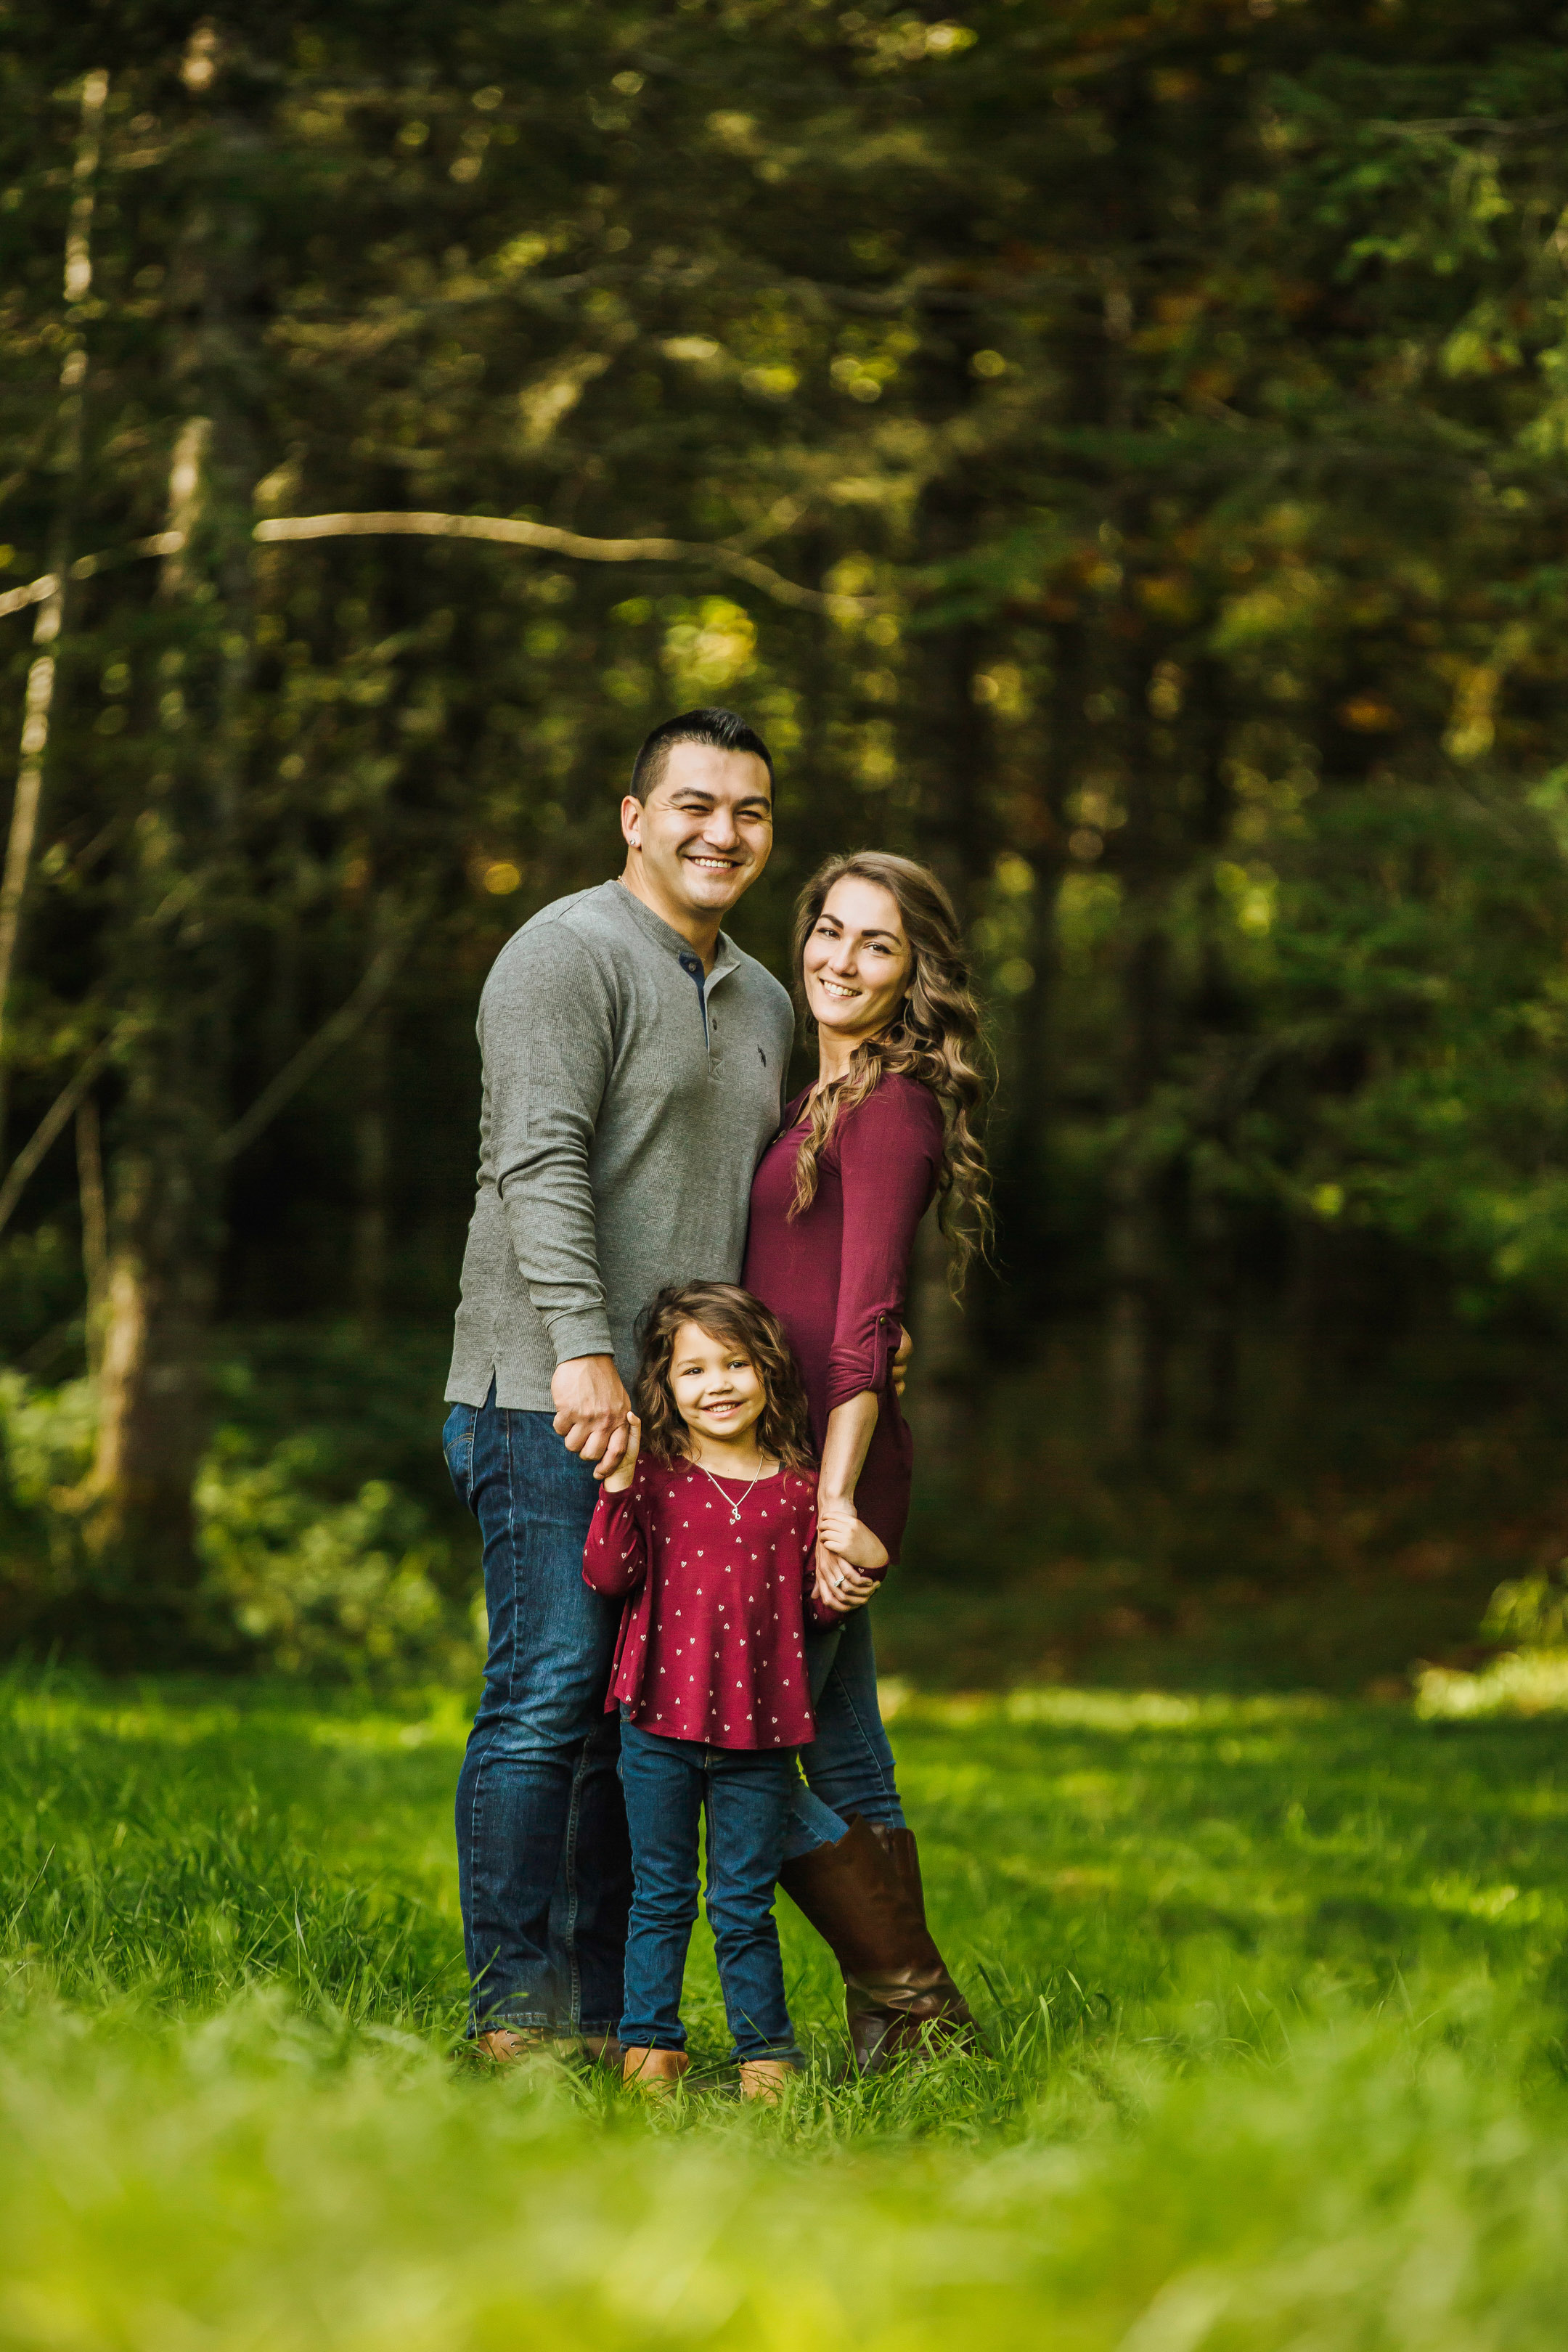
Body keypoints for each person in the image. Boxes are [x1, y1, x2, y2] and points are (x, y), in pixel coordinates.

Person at [441, 709, 793, 2058]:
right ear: (634, 817)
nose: (724, 831)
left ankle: (602, 2012)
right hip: (544, 1392)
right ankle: (512, 2014)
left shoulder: (762, 996)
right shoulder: (565, 953)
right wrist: (586, 1352)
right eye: (695, 804)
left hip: (681, 1425)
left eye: (750, 811)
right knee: (547, 1695)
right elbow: (537, 1164)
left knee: (624, 1716)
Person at [743, 850, 993, 2070]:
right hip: (792, 1465)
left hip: (821, 1475)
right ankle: (911, 2038)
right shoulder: (815, 1099)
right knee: (846, 1754)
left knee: (717, 1754)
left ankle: (922, 2001)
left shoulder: (889, 1107)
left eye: (875, 944)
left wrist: (831, 1501)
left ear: (915, 972)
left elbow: (866, 1321)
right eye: (829, 933)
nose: (840, 961)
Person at [583, 1282, 886, 2100]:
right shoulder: (653, 1479)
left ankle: (767, 2059)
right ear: (666, 1389)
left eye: (736, 1364)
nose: (717, 1384)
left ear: (768, 1374)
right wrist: (613, 1492)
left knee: (744, 1904)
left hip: (759, 1735)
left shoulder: (799, 1490)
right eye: (694, 1371)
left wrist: (865, 1561)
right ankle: (653, 2048)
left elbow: (821, 1609)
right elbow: (608, 1576)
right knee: (661, 1893)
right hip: (657, 1725)